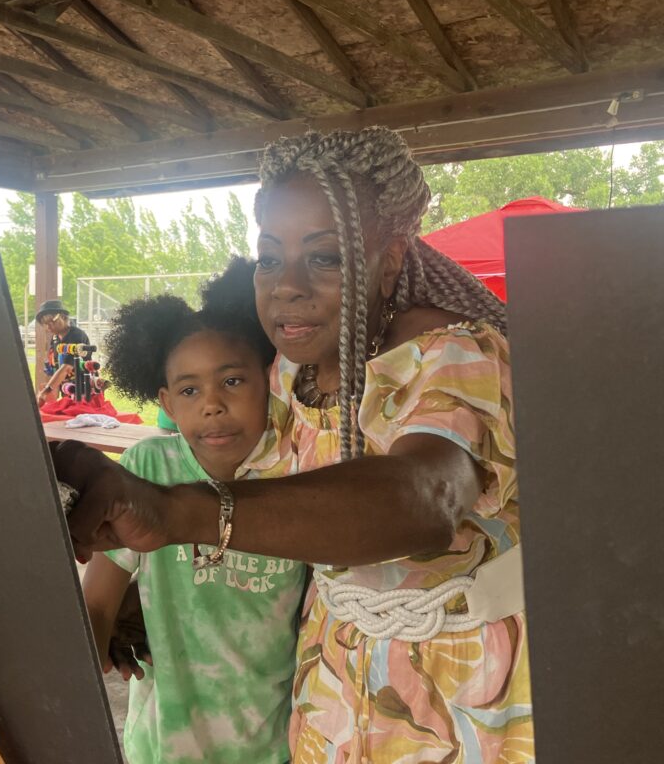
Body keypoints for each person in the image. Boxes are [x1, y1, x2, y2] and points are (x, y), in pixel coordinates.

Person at [55, 127, 531, 763]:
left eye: (325, 257)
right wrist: (141, 589)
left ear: (389, 261)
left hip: (462, 687)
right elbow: (267, 488)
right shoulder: (289, 372)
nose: (288, 285)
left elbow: (424, 499)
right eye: (270, 258)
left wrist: (175, 513)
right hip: (328, 683)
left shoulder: (452, 354)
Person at [83, 294, 305, 764]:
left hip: (271, 745)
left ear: (269, 381)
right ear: (165, 402)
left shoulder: (300, 472)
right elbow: (98, 601)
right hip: (165, 745)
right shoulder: (146, 470)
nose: (212, 405)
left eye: (232, 381)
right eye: (189, 391)